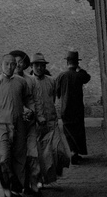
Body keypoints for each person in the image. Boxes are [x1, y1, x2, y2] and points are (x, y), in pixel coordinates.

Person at [0, 54, 34, 197]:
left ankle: (16, 190)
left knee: (20, 158)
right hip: (2, 126)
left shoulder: (21, 82)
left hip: (19, 125)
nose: (10, 67)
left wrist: (31, 111)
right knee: (4, 158)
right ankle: (7, 186)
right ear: (2, 65)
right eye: (7, 64)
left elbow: (28, 99)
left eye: (13, 64)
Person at [29, 53, 70, 194]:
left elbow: (54, 98)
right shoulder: (28, 82)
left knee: (59, 151)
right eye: (36, 65)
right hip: (37, 125)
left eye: (42, 65)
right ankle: (40, 180)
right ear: (32, 66)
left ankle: (52, 174)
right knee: (41, 155)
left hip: (52, 122)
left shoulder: (51, 81)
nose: (39, 68)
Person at [9, 50, 39, 194]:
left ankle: (34, 185)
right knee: (17, 157)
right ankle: (19, 186)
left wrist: (32, 112)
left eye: (21, 61)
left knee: (33, 154)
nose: (18, 64)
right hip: (13, 126)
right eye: (15, 61)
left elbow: (34, 100)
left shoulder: (31, 80)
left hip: (30, 125)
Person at [56, 50, 91, 164]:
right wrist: (80, 69)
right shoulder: (79, 75)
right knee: (78, 131)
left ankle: (71, 153)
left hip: (65, 109)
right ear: (76, 63)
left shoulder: (61, 75)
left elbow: (57, 92)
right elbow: (87, 77)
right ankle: (75, 154)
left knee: (68, 132)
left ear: (67, 62)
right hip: (77, 109)